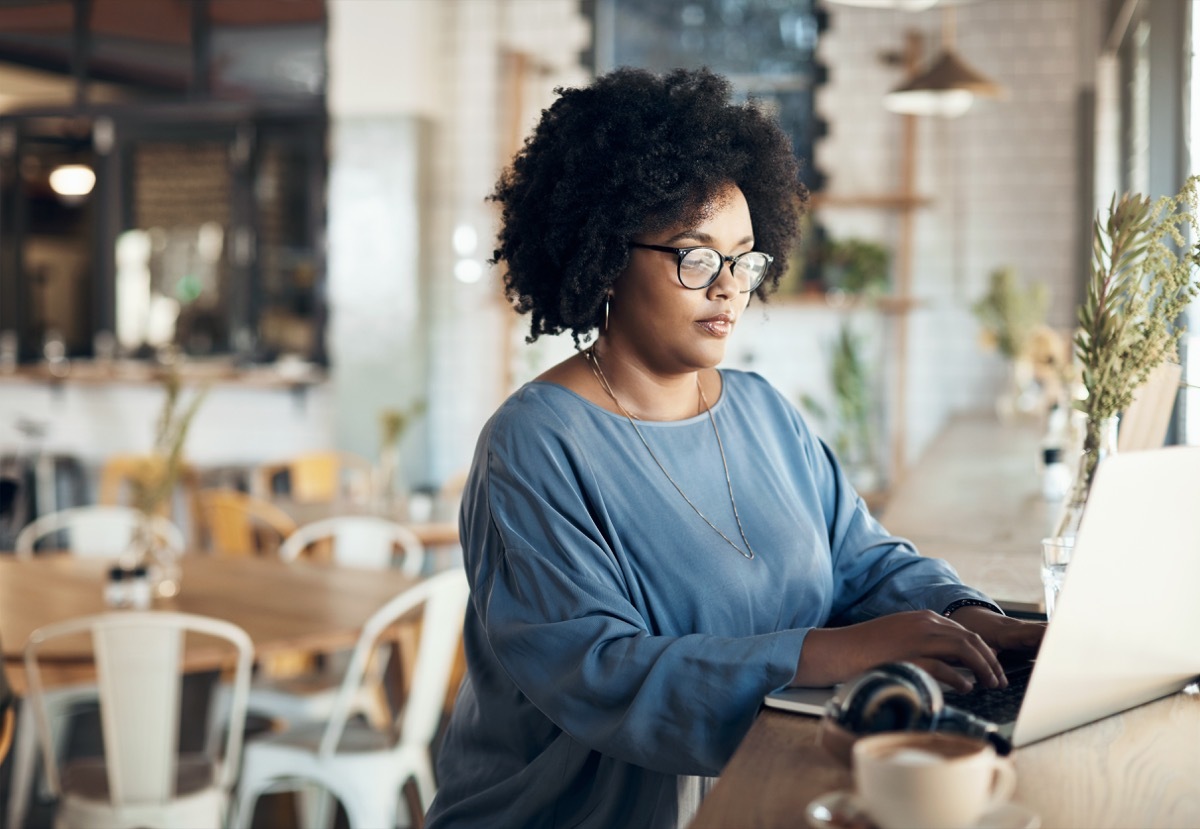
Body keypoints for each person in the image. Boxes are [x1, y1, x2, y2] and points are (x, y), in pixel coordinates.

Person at [425, 66, 1044, 829]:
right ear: (606, 255)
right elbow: (598, 671)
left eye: (744, 257)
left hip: (751, 785)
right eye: (695, 256)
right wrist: (831, 653)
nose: (728, 287)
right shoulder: (532, 446)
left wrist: (967, 615)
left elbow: (861, 559)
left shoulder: (762, 412)